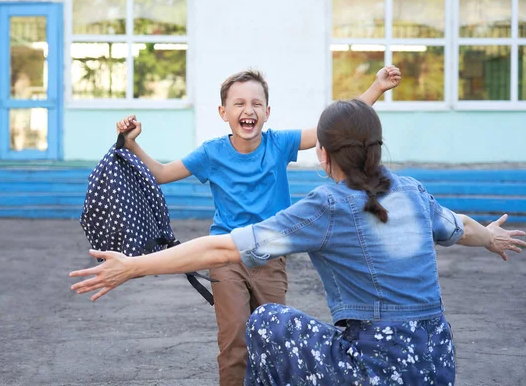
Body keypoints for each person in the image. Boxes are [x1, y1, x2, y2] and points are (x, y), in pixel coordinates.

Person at [71, 99, 525, 385]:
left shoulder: (328, 205)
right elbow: (459, 226)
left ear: (322, 155)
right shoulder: (411, 190)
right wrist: (491, 238)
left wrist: (134, 264)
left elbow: (223, 248)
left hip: (375, 369)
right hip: (436, 366)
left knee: (268, 322)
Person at [112, 67, 400, 385]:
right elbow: (162, 174)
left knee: (275, 340)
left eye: (256, 103)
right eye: (238, 104)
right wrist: (131, 144)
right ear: (223, 112)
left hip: (270, 257)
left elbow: (336, 128)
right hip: (225, 257)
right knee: (235, 341)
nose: (248, 110)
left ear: (267, 112)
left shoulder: (279, 144)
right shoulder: (211, 152)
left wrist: (377, 86)